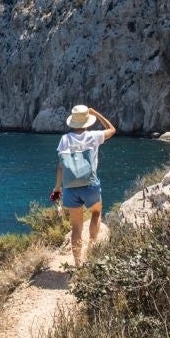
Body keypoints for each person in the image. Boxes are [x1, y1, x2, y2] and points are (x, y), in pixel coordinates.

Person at [50, 104, 117, 268]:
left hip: (70, 187)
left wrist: (57, 188)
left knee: (76, 227)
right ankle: (92, 249)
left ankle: (78, 263)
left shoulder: (64, 139)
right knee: (96, 212)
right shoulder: (94, 136)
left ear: (72, 121)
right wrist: (96, 113)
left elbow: (60, 166)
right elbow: (112, 129)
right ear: (88, 121)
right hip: (90, 184)